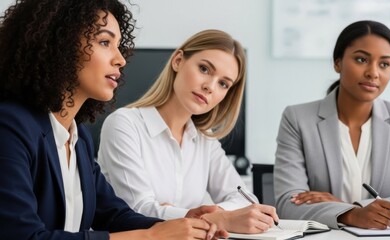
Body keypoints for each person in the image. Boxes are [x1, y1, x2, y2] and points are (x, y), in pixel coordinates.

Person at [0, 1, 224, 239]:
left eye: (118, 46)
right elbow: (23, 236)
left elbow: (113, 214)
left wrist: (184, 223)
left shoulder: (79, 137)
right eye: (105, 42)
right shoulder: (10, 126)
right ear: (59, 44)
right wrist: (150, 237)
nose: (121, 59)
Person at [97, 29, 279, 234]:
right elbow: (137, 211)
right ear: (178, 61)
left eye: (223, 84)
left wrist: (217, 215)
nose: (210, 86)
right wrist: (220, 219)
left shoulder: (203, 138)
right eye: (204, 69)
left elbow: (245, 199)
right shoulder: (124, 124)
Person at [274, 20, 390, 230]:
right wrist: (353, 215)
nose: (373, 72)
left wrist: (352, 208)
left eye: (384, 64)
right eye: (361, 59)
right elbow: (287, 205)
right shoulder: (298, 118)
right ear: (338, 63)